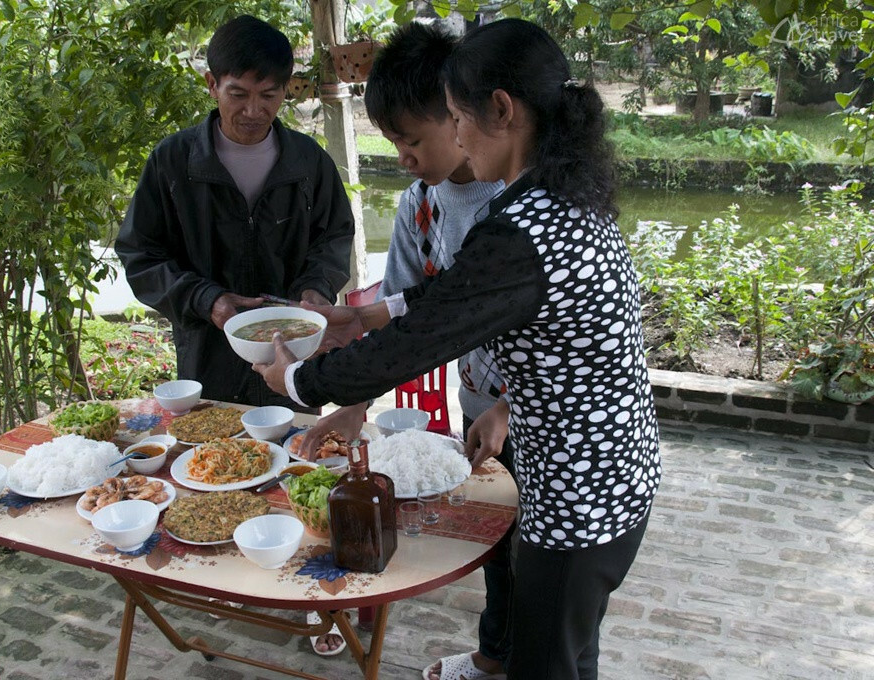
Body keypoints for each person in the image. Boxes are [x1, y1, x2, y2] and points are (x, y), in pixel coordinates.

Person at [253, 18, 661, 680]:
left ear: (501, 110)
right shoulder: (559, 199)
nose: (459, 136)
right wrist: (370, 315)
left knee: (547, 664)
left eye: (457, 116)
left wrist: (300, 379)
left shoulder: (526, 227)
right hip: (612, 477)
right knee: (569, 652)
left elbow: (424, 337)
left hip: (581, 499)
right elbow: (460, 298)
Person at [294, 23, 510, 676]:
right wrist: (353, 402)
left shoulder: (516, 203)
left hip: (538, 407)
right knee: (499, 544)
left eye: (413, 139)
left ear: (460, 113)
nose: (405, 157)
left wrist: (515, 407)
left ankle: (524, 656)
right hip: (478, 402)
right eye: (394, 142)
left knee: (540, 555)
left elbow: (561, 329)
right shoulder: (420, 207)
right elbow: (400, 326)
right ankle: (494, 656)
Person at [115, 15, 354, 411]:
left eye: (269, 96)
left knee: (297, 456)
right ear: (212, 84)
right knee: (214, 461)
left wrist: (316, 288)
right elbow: (141, 256)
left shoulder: (308, 162)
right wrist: (208, 301)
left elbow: (334, 238)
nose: (254, 110)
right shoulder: (174, 162)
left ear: (286, 91)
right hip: (208, 357)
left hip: (291, 353)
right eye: (238, 94)